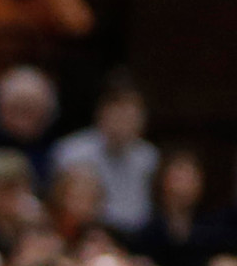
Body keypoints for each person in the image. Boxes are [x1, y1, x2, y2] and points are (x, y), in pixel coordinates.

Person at [50, 75, 161, 236]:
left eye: (130, 117)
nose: (123, 123)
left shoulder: (149, 157)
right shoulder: (71, 152)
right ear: (102, 113)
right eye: (118, 115)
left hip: (137, 237)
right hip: (86, 233)